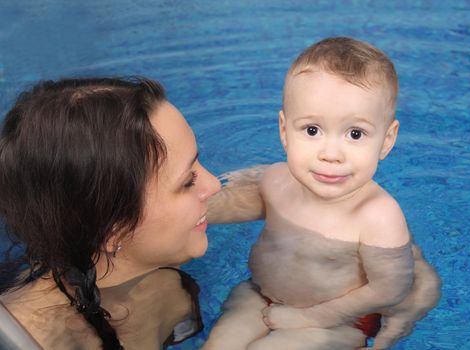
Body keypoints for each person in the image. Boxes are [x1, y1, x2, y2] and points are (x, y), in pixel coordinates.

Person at [201, 37, 441, 350]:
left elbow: (391, 288)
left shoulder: (377, 216)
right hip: (260, 296)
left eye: (355, 134)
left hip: (340, 321)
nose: (331, 153)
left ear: (386, 140)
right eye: (312, 130)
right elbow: (218, 206)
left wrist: (317, 317)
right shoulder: (274, 182)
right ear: (285, 131)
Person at [0, 77, 221, 349]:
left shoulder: (112, 246)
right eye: (188, 182)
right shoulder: (38, 338)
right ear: (113, 231)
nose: (214, 185)